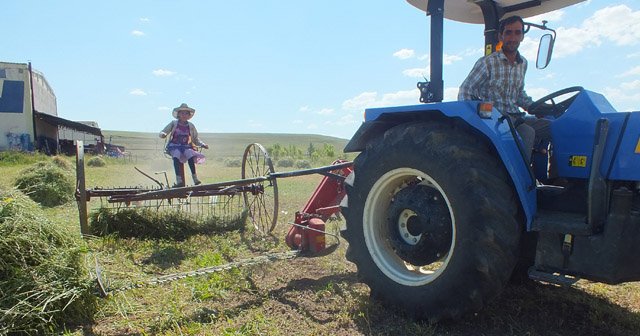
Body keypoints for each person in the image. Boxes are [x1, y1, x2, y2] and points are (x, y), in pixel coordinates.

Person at [458, 15, 551, 164]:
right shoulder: (488, 62)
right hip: (497, 119)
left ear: (522, 36)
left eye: (517, 32)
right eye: (508, 32)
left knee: (555, 127)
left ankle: (560, 179)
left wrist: (538, 107)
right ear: (500, 36)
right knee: (528, 133)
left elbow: (519, 95)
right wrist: (479, 120)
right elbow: (465, 91)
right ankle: (520, 183)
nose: (513, 38)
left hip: (517, 117)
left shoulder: (523, 64)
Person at [159, 103, 209, 187]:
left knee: (190, 154)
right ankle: (179, 180)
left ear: (189, 115)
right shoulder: (174, 123)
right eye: (182, 113)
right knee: (176, 154)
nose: (184, 115)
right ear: (178, 114)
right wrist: (163, 135)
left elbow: (195, 139)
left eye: (186, 113)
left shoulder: (191, 126)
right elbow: (163, 131)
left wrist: (203, 144)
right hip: (174, 146)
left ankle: (195, 179)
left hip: (186, 146)